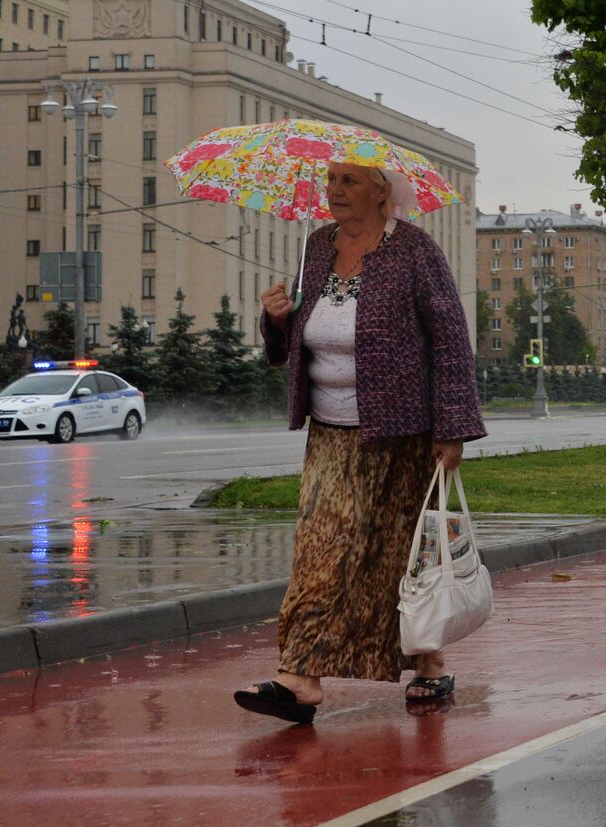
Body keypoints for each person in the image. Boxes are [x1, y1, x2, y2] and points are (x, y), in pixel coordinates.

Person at [235, 161, 486, 724]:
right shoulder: (317, 247)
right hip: (329, 433)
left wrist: (452, 429)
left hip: (403, 434)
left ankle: (428, 659)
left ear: (381, 192)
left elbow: (449, 340)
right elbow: (294, 342)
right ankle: (300, 678)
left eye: (349, 182)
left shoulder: (415, 251)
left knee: (399, 556)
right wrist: (275, 321)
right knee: (321, 550)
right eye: (331, 182)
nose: (335, 192)